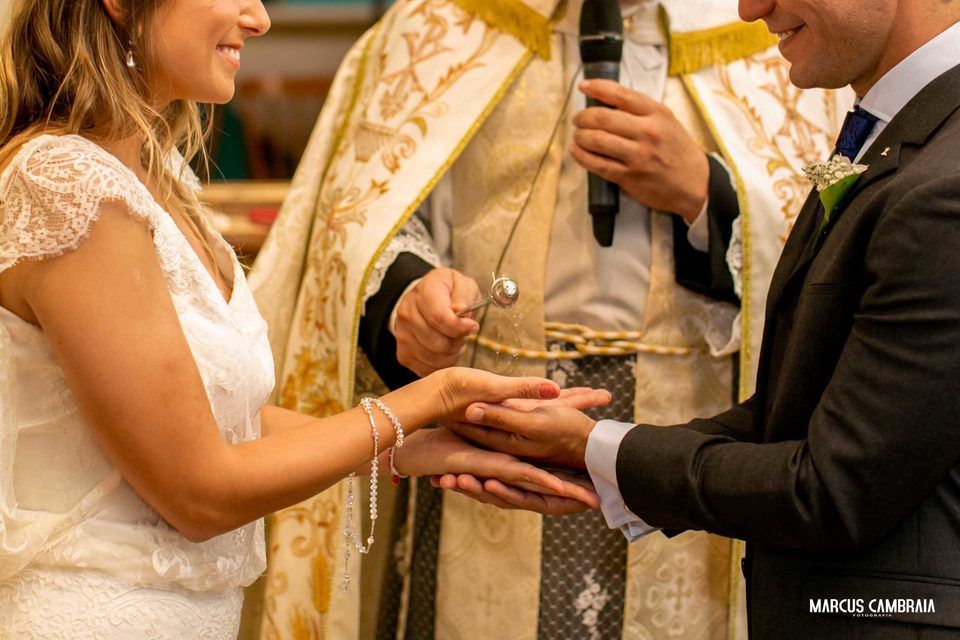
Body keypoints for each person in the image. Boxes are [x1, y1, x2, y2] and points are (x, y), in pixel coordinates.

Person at [249, 0, 851, 637]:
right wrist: (408, 297)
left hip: (688, 435)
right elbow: (360, 218)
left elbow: (838, 254)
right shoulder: (446, 21)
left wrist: (705, 193)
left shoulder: (778, 34)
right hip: (485, 424)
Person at [0, 1, 600, 638]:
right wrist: (436, 395)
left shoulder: (155, 172)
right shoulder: (66, 185)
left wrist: (416, 447)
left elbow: (216, 422)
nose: (258, 18)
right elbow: (197, 493)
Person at [448, 0, 960, 637]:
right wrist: (590, 450)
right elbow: (809, 411)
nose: (749, 8)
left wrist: (591, 447)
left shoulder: (944, 186)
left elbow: (832, 490)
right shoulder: (903, 127)